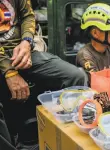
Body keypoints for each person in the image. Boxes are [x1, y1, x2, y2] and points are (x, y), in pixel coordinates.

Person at [0, 0, 85, 149]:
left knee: (74, 76)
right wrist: (9, 71)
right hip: (3, 60)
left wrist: (26, 42)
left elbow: (27, 16)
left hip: (20, 51)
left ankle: (67, 140)